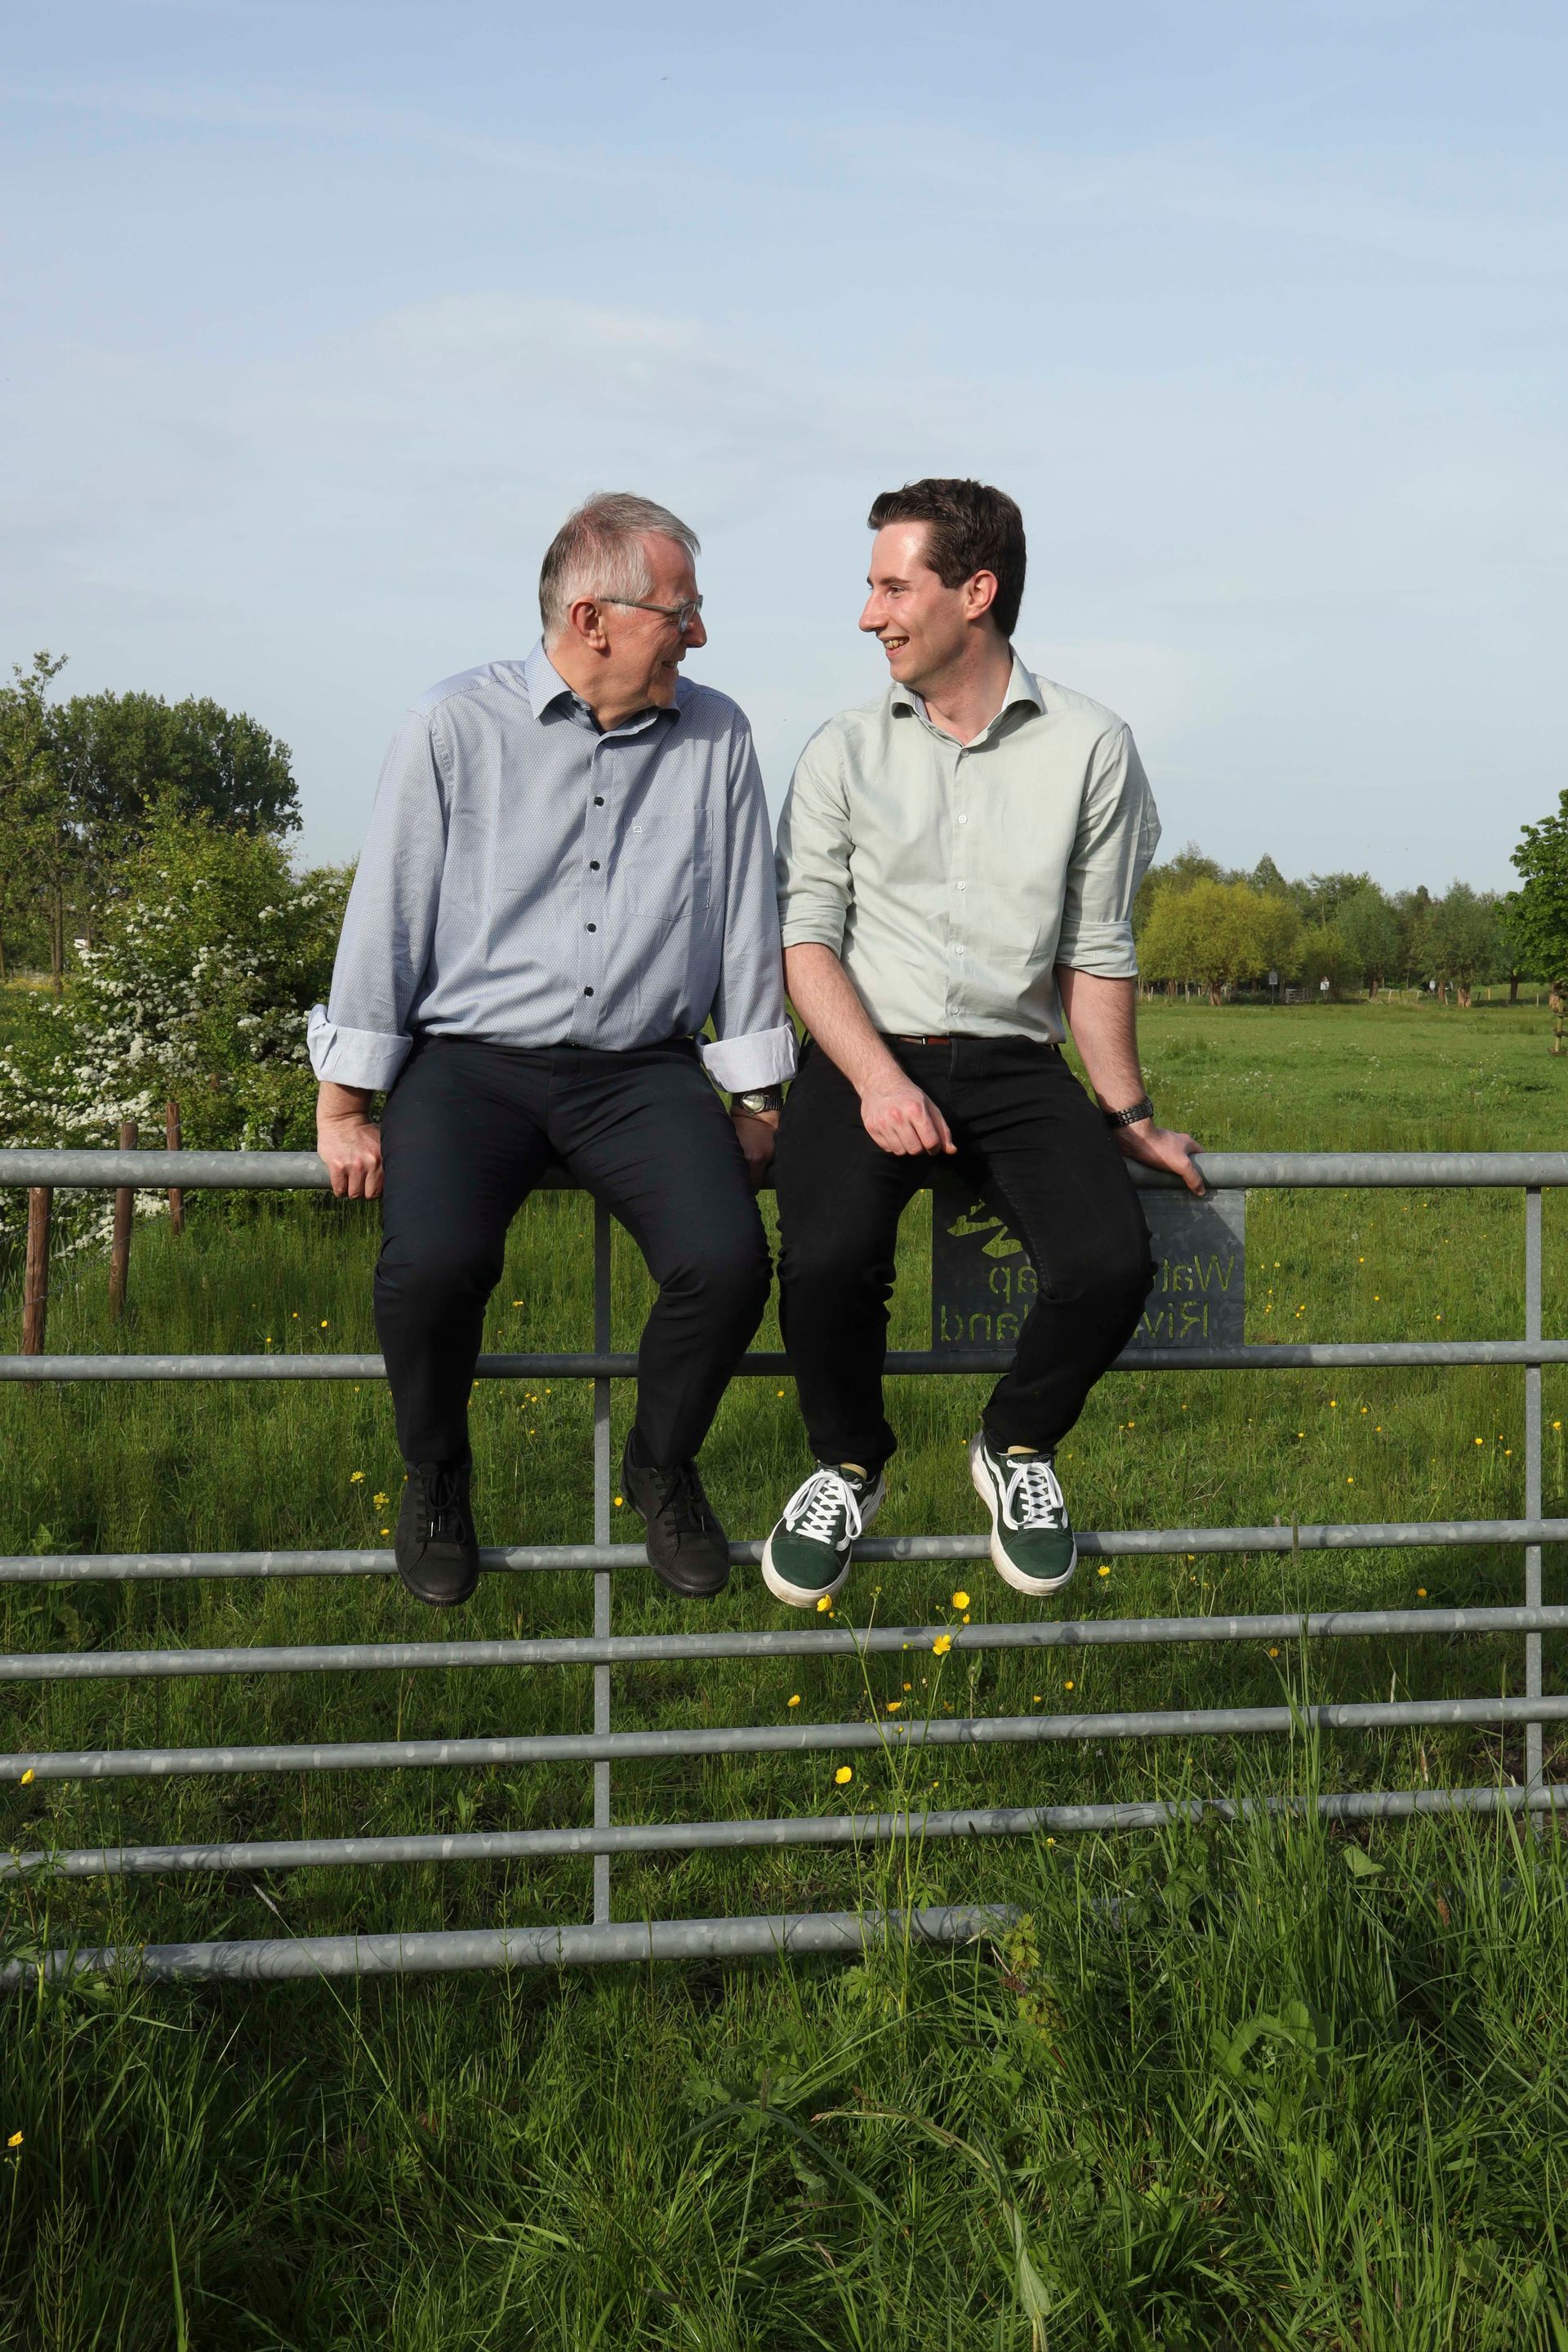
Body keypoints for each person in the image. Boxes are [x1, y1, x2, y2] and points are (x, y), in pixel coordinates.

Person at [310, 493, 794, 1607]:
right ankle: (436, 1474)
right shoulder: (450, 726)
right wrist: (345, 1105)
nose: (701, 635)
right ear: (595, 618)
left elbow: (741, 920)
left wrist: (758, 1095)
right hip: (472, 1064)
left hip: (641, 1069)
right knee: (428, 1266)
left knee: (726, 1264)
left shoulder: (720, 734)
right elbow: (386, 910)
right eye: (685, 610)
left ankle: (662, 1468)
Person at [764, 478, 1201, 1608]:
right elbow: (806, 942)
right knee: (821, 1263)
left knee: (1111, 1262)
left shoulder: (1095, 746)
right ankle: (848, 1463)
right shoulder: (839, 751)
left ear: (977, 591)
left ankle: (1015, 1445)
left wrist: (1130, 1114)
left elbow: (1097, 949)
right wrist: (872, 1083)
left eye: (891, 586)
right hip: (868, 1050)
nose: (870, 614)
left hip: (1011, 1062)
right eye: (872, 588)